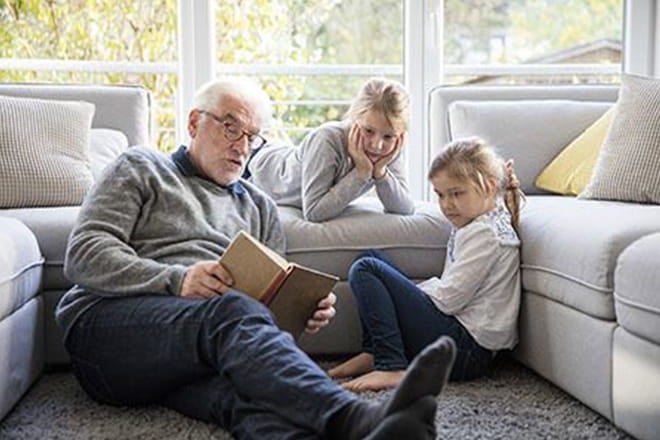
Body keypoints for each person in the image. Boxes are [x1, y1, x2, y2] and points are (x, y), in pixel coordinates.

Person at [55, 77, 459, 440]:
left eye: (252, 137)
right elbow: (85, 255)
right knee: (229, 311)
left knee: (250, 399)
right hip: (108, 336)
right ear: (195, 123)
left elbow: (261, 327)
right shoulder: (142, 167)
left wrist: (301, 312)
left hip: (196, 354)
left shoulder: (260, 208)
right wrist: (177, 280)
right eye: (231, 128)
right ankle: (356, 419)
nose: (242, 146)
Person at [329, 137, 523, 392]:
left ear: (488, 187)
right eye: (441, 195)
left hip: (466, 353)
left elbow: (449, 299)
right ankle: (375, 351)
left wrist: (409, 292)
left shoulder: (485, 234)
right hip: (460, 342)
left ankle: (391, 365)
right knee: (371, 257)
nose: (447, 204)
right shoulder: (477, 222)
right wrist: (404, 292)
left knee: (367, 268)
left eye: (456, 193)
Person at [247, 77, 415, 222]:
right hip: (254, 164)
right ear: (354, 118)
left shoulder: (390, 149)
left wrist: (380, 172)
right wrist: (362, 173)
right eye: (368, 131)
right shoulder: (327, 139)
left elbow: (405, 208)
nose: (377, 145)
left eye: (388, 136)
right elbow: (314, 212)